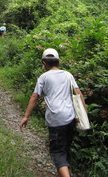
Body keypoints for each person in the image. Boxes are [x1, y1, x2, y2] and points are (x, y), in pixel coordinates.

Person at [19, 48, 87, 177]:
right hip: (70, 118)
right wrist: (84, 114)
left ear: (44, 63)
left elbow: (34, 97)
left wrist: (26, 116)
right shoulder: (68, 75)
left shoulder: (43, 77)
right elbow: (78, 93)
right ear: (59, 62)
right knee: (65, 150)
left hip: (55, 120)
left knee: (58, 153)